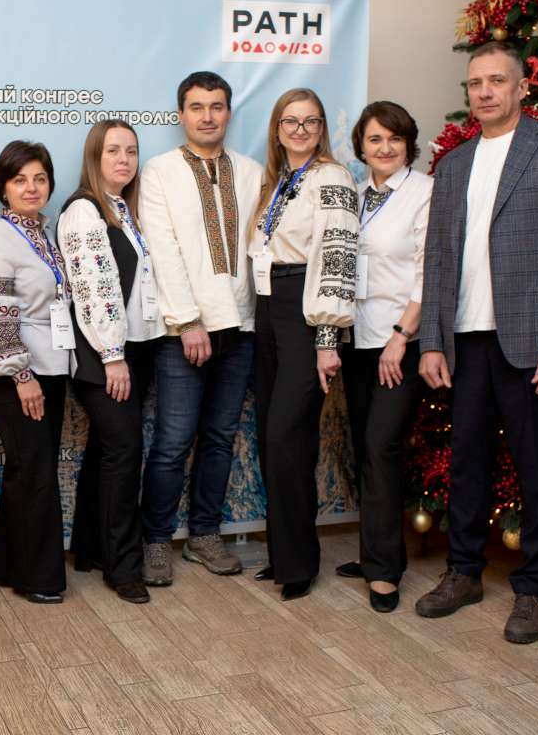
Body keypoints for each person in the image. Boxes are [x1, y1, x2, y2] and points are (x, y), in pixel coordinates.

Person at [416, 42, 538, 643]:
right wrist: (432, 341)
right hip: (466, 340)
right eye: (476, 83)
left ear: (522, 87)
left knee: (537, 468)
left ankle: (533, 588)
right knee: (466, 462)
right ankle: (463, 572)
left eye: (497, 81)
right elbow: (438, 259)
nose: (485, 92)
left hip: (532, 341)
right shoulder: (453, 165)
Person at [138, 70, 262, 585]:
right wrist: (188, 321)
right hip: (183, 331)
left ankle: (205, 534)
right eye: (196, 107)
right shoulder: (159, 171)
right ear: (181, 114)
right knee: (173, 441)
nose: (207, 116)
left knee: (219, 438)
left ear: (228, 112)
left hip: (242, 327)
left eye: (216, 106)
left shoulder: (253, 172)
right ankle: (156, 540)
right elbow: (162, 249)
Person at [247, 88, 360, 601]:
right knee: (272, 439)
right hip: (268, 309)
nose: (300, 130)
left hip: (305, 312)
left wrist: (327, 338)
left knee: (286, 438)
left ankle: (299, 564)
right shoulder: (279, 182)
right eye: (290, 121)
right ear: (277, 129)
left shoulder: (332, 178)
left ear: (321, 129)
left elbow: (338, 257)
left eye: (310, 121)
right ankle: (283, 554)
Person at [58, 120, 164, 604]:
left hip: (134, 347)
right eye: (113, 151)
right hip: (104, 353)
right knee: (124, 453)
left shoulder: (125, 209)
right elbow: (93, 290)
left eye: (131, 151)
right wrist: (113, 355)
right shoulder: (84, 210)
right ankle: (124, 568)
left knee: (105, 450)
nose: (124, 159)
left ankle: (91, 549)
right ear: (94, 158)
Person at [333, 101, 433, 613]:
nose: (385, 148)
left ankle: (385, 573)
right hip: (358, 340)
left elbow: (428, 272)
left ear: (408, 143)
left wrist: (401, 335)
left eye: (394, 138)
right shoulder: (354, 196)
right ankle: (377, 553)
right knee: (365, 450)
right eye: (375, 139)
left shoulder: (424, 193)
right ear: (361, 146)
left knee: (382, 447)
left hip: (400, 343)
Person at [0, 141, 71, 604]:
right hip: (15, 373)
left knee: (28, 467)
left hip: (50, 365)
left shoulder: (42, 234)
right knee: (35, 471)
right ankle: (39, 578)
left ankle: (9, 567)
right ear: (3, 189)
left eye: (39, 179)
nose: (31, 188)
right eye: (20, 180)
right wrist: (22, 376)